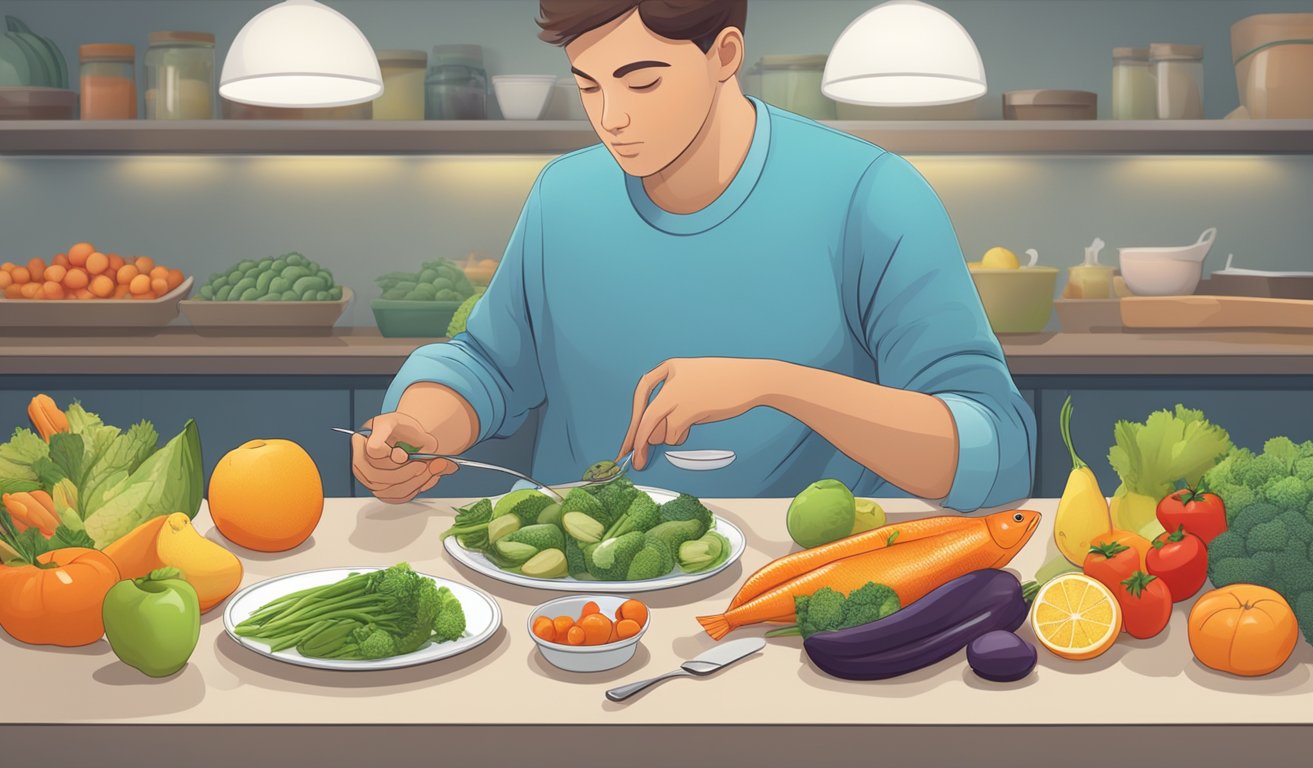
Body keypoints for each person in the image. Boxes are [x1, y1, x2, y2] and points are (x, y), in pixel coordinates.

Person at [352, 0, 1036, 512]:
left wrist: (775, 383)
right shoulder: (563, 198)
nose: (611, 117)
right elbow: (486, 367)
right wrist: (419, 426)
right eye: (588, 85)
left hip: (795, 598)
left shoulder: (870, 195)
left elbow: (994, 450)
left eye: (641, 82)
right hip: (580, 595)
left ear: (725, 54)